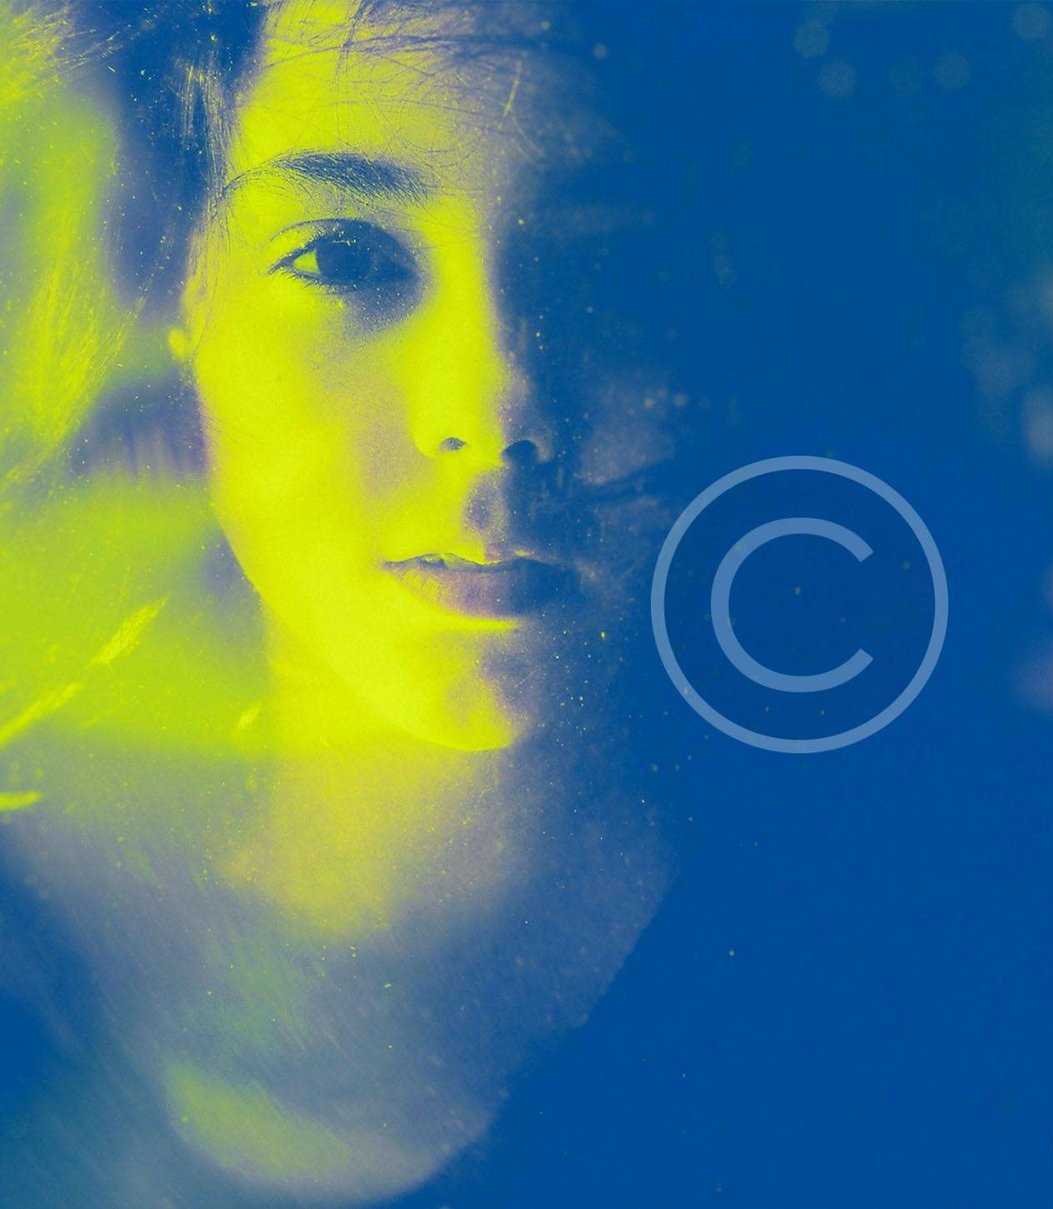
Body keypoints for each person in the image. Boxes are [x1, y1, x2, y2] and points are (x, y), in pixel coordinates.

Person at [0, 1, 689, 1202]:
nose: (498, 400)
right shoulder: (30, 931)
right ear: (181, 295)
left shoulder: (949, 935)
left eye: (614, 261)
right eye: (344, 259)